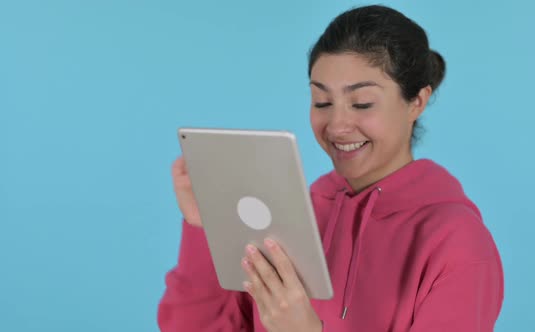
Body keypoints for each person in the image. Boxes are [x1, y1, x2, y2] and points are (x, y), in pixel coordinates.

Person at [158, 5, 504, 332]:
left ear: (417, 101)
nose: (337, 125)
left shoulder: (458, 243)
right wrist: (204, 226)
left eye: (362, 103)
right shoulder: (294, 215)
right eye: (322, 102)